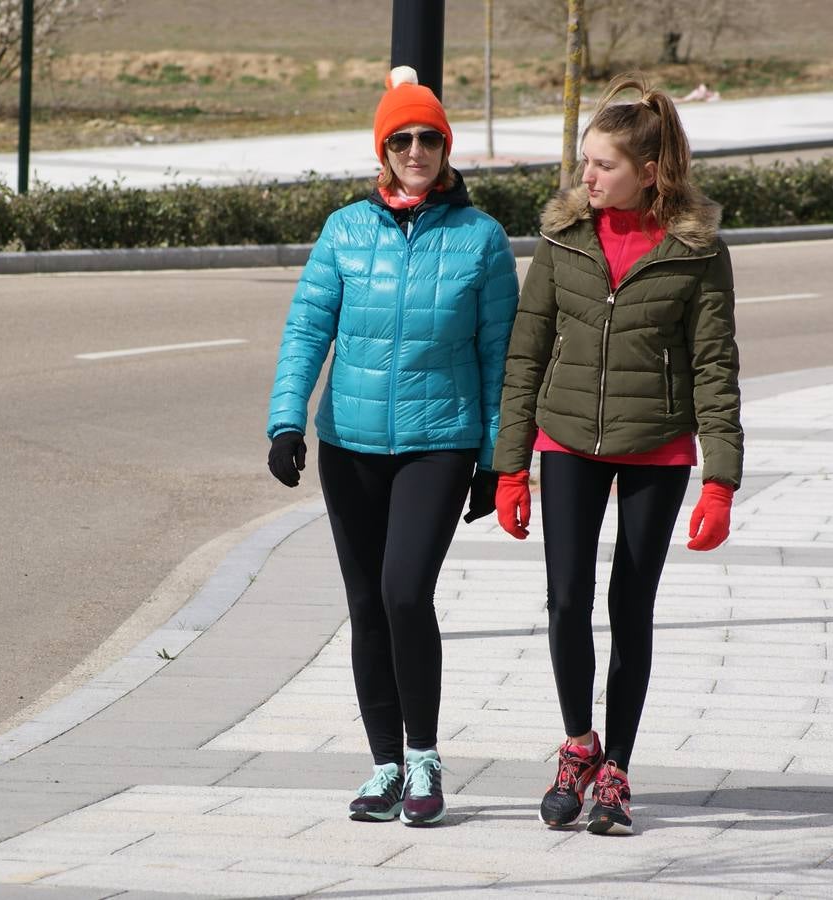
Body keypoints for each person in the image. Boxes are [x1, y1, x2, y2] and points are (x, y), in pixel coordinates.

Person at [266, 66, 519, 827]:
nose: (416, 149)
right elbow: (308, 329)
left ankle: (424, 758)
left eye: (429, 138)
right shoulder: (345, 229)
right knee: (368, 605)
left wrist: (497, 459)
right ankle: (383, 768)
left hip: (438, 443)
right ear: (384, 148)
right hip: (349, 446)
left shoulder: (481, 239)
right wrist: (286, 421)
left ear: (446, 147)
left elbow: (502, 357)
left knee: (406, 592)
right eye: (402, 138)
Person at [492, 73, 743, 836]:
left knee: (630, 607)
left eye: (602, 165)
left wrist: (720, 481)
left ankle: (618, 773)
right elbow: (525, 350)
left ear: (650, 174)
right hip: (565, 438)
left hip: (656, 449)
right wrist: (510, 463)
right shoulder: (563, 238)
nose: (586, 176)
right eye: (584, 161)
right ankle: (578, 747)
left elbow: (714, 367)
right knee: (567, 599)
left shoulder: (696, 252)